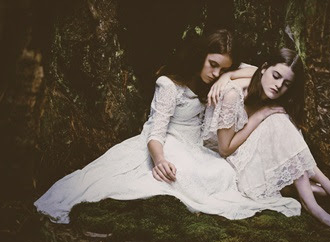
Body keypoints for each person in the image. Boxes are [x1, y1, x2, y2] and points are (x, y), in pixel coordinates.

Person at [34, 30, 301, 224]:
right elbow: (156, 131)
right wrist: (159, 159)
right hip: (167, 142)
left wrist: (229, 75)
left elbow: (259, 71)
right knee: (177, 178)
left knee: (223, 173)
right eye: (213, 65)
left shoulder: (214, 82)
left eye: (223, 69)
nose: (216, 73)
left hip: (197, 146)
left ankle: (299, 183)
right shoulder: (169, 85)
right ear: (201, 56)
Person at [202, 48, 330, 227]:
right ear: (264, 68)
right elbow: (225, 149)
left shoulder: (265, 87)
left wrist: (325, 182)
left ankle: (316, 189)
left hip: (248, 148)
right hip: (225, 156)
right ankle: (312, 204)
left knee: (278, 119)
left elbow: (291, 146)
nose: (279, 85)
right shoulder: (234, 94)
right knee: (275, 118)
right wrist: (260, 115)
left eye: (286, 83)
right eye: (276, 75)